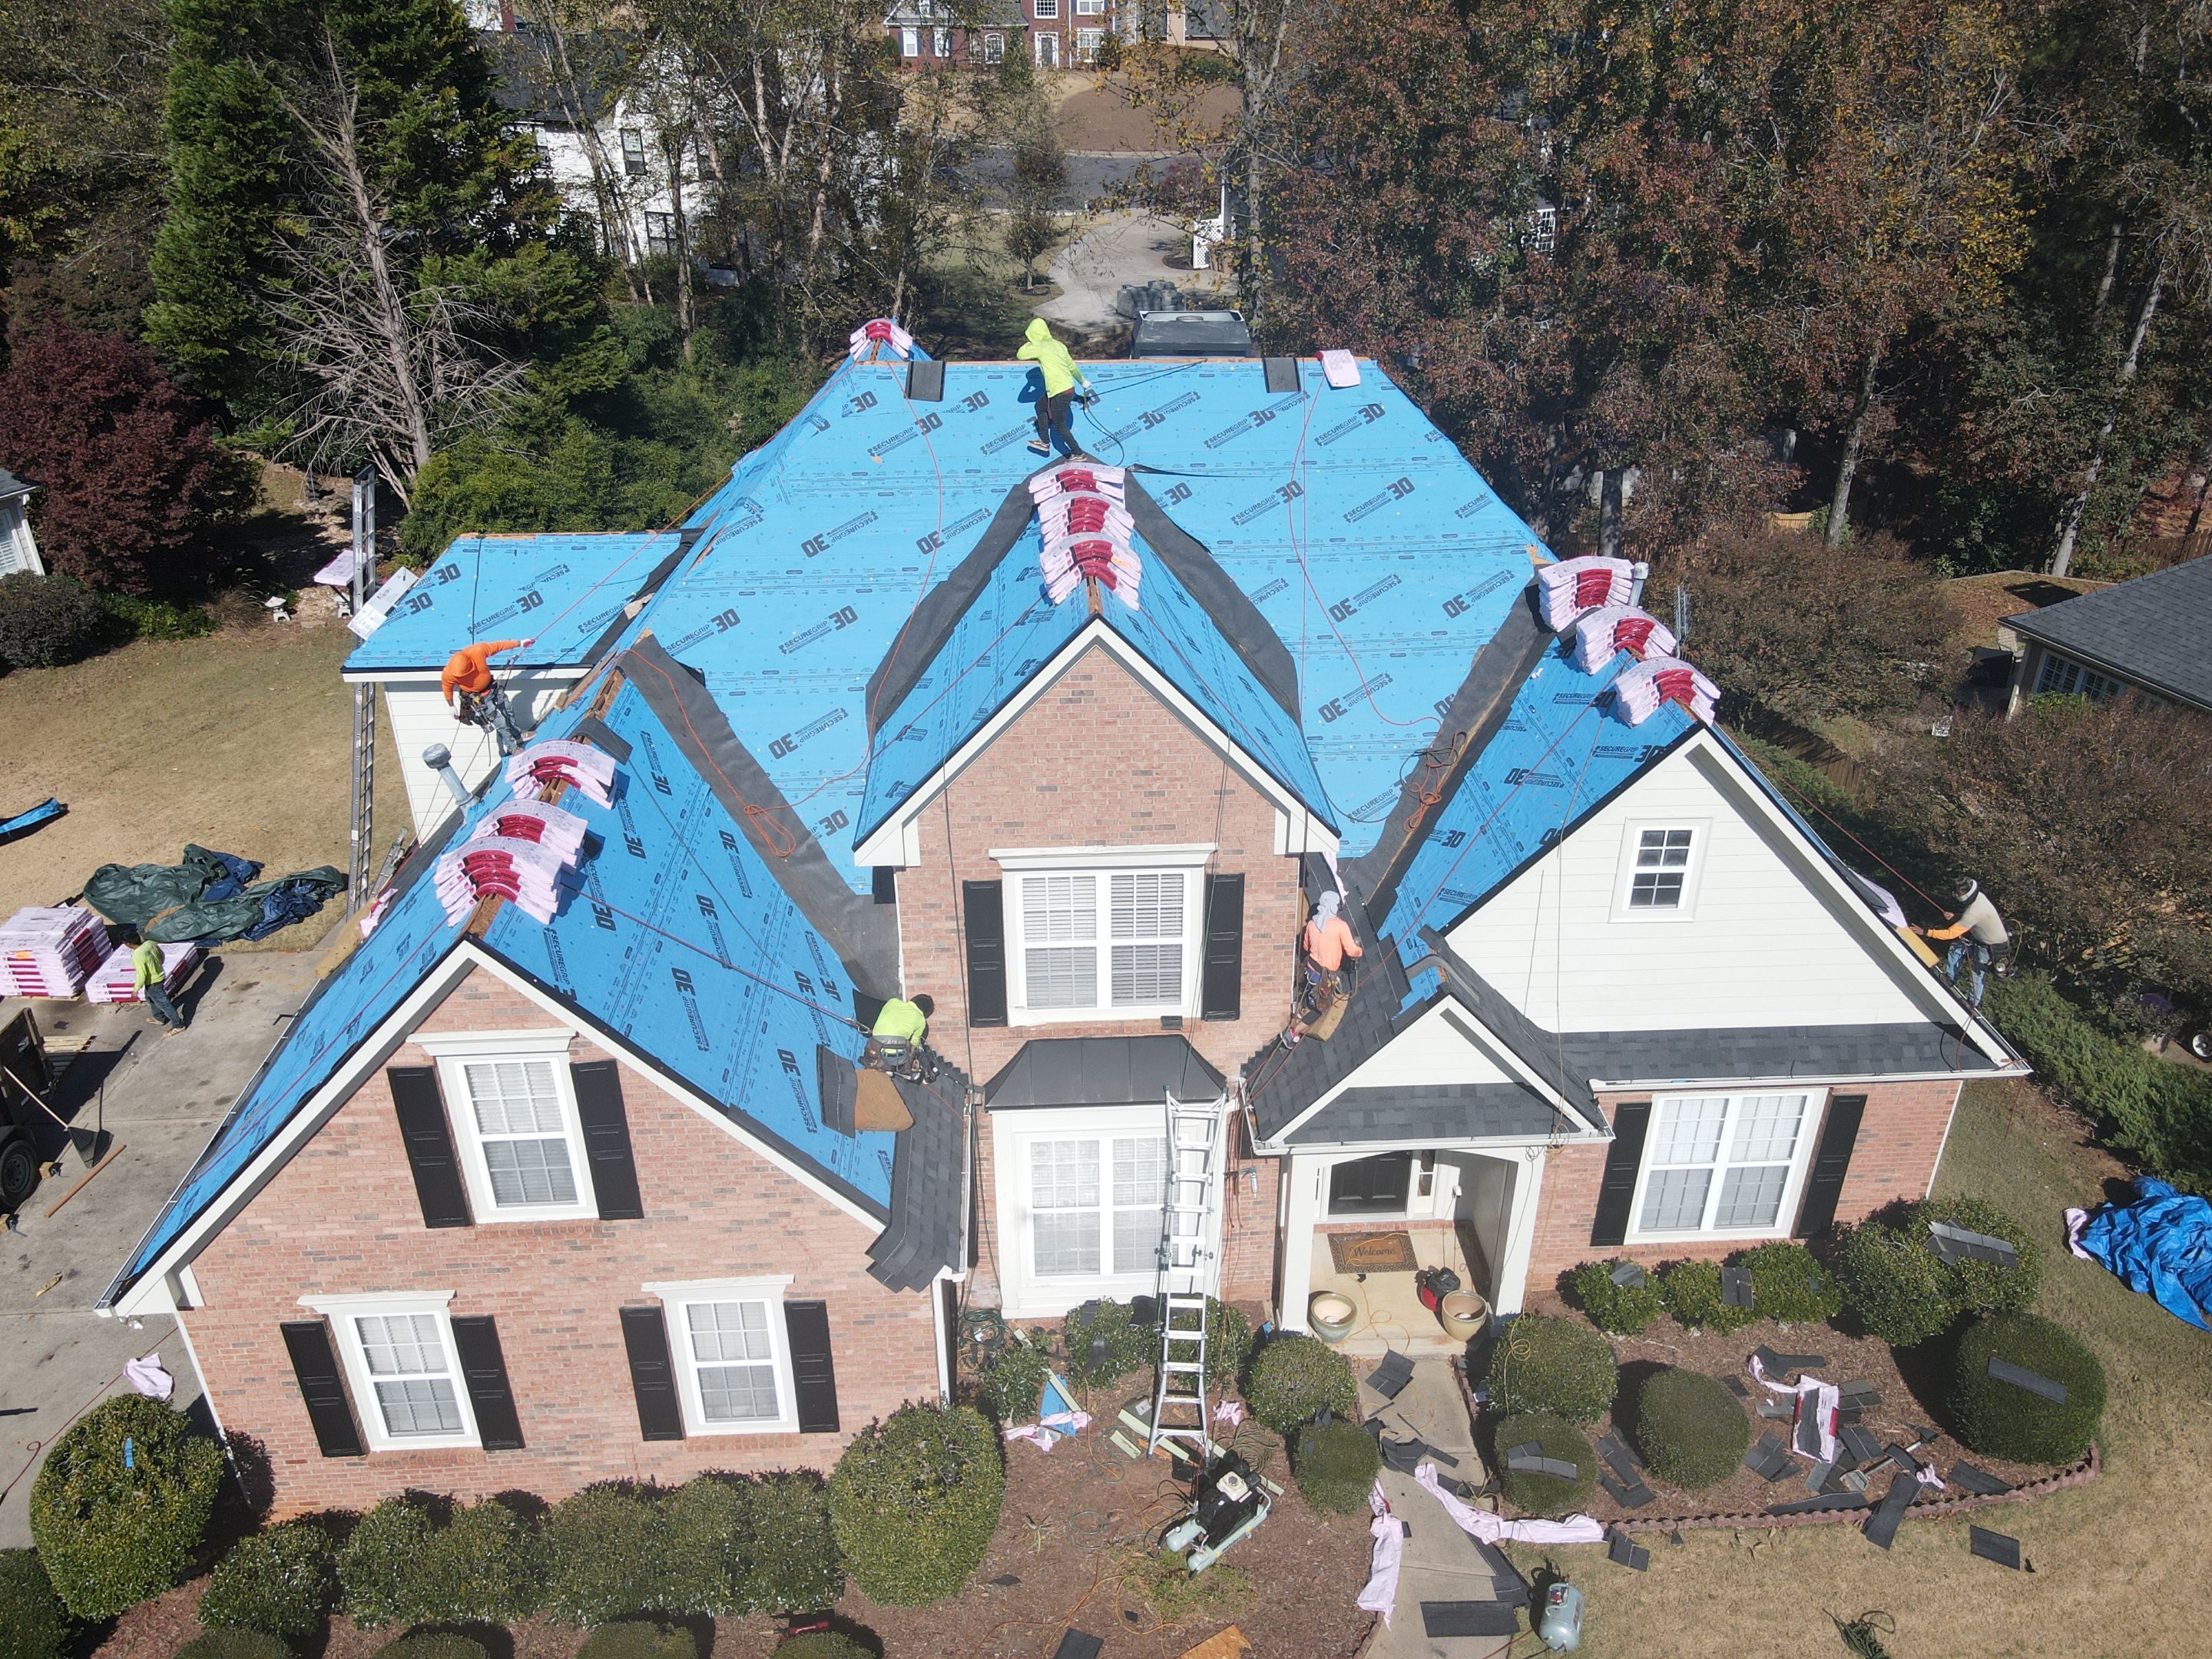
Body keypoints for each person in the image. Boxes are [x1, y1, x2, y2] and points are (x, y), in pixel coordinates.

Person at [1915, 878, 2011, 1007]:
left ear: (1966, 895)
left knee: (1977, 972)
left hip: (1990, 948)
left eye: (1958, 893)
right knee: (1956, 948)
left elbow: (1950, 934)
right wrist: (1956, 917)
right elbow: (1971, 918)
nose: (1956, 894)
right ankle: (1950, 978)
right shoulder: (1979, 898)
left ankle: (1973, 1003)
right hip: (1980, 939)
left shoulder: (1973, 913)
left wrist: (1925, 932)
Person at [441, 637, 533, 756]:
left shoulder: (478, 651)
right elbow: (447, 688)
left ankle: (518, 734)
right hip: (480, 699)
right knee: (500, 723)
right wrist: (451, 706)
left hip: (492, 688)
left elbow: (499, 645)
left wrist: (520, 643)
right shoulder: (449, 673)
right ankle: (513, 748)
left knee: (508, 709)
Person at [1018, 318, 1094, 457]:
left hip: (1059, 392)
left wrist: (1033, 341)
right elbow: (1071, 367)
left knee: (1059, 425)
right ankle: (1044, 442)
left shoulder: (1039, 346)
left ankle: (1078, 454)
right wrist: (1082, 381)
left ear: (1032, 334)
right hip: (1066, 388)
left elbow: (1020, 354)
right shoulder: (1059, 345)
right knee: (1040, 407)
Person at [1295, 890, 1364, 1028]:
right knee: (1321, 1008)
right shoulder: (1340, 926)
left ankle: (1299, 1006)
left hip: (1310, 968)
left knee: (1308, 989)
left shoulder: (1311, 924)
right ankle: (1293, 1033)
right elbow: (1351, 950)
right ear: (1333, 907)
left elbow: (1306, 946)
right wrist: (1360, 951)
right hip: (1325, 976)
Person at [867, 993, 938, 1082]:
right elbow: (914, 1044)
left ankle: (880, 1064)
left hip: (874, 1046)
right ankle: (908, 1072)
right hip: (894, 1057)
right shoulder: (921, 1020)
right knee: (912, 1049)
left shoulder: (892, 1002)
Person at [131, 935, 187, 1032]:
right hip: (159, 976)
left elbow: (142, 974)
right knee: (149, 997)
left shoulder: (138, 955)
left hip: (153, 982)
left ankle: (178, 1025)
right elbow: (162, 955)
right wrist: (158, 966)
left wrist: (136, 989)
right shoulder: (150, 943)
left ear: (128, 944)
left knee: (164, 1004)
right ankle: (159, 1017)